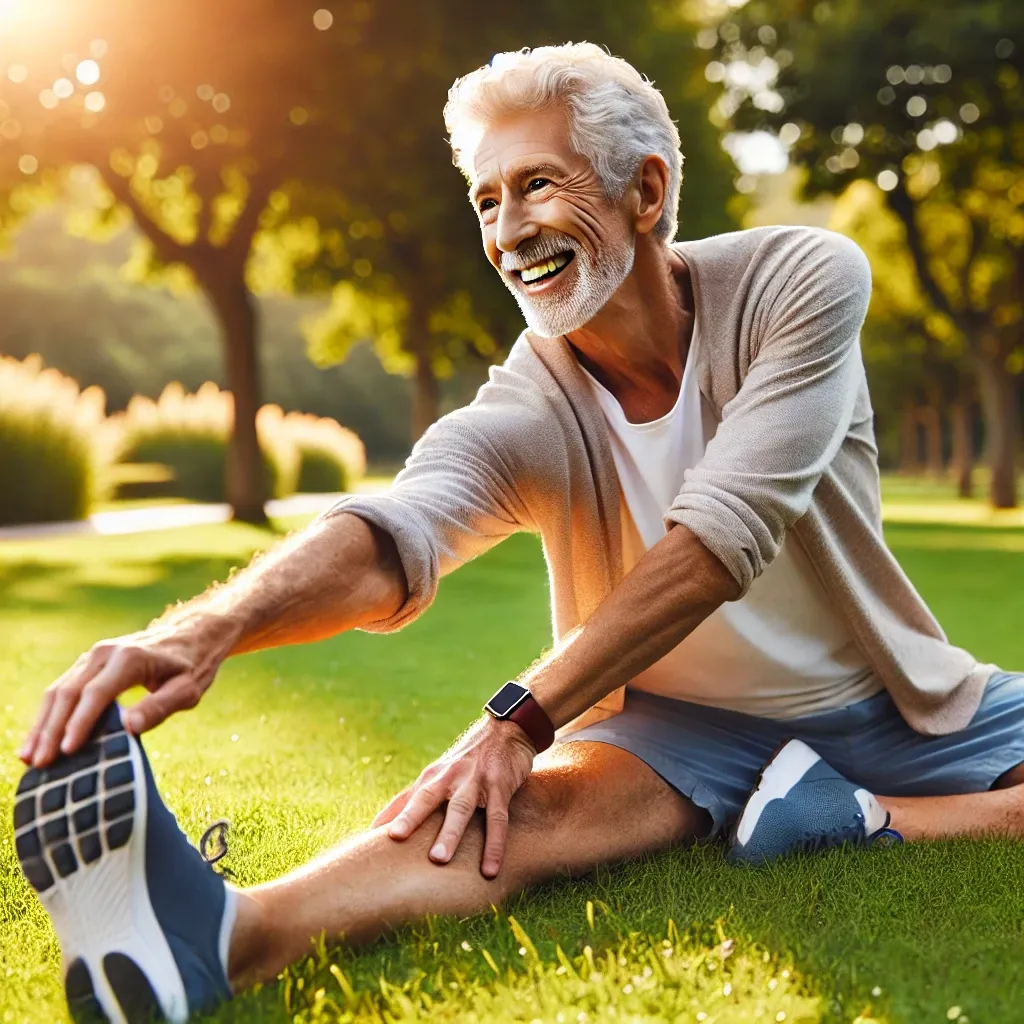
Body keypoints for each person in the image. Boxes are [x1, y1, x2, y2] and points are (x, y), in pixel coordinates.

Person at [12, 43, 1024, 1024]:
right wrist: (210, 629)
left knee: (502, 763)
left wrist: (516, 719)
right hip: (678, 733)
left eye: (537, 183)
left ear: (646, 190)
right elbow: (398, 531)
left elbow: (723, 537)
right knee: (504, 810)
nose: (508, 231)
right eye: (486, 201)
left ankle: (850, 817)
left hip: (891, 702)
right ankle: (221, 938)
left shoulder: (798, 282)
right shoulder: (532, 400)